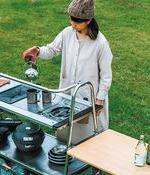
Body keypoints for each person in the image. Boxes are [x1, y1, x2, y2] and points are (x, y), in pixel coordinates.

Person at [23, 0, 113, 144]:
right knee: (65, 141)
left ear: (89, 20)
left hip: (89, 101)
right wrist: (38, 51)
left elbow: (106, 77)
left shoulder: (100, 44)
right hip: (67, 97)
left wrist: (99, 101)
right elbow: (52, 49)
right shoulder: (67, 33)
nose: (73, 23)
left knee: (89, 143)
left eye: (78, 21)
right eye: (71, 19)